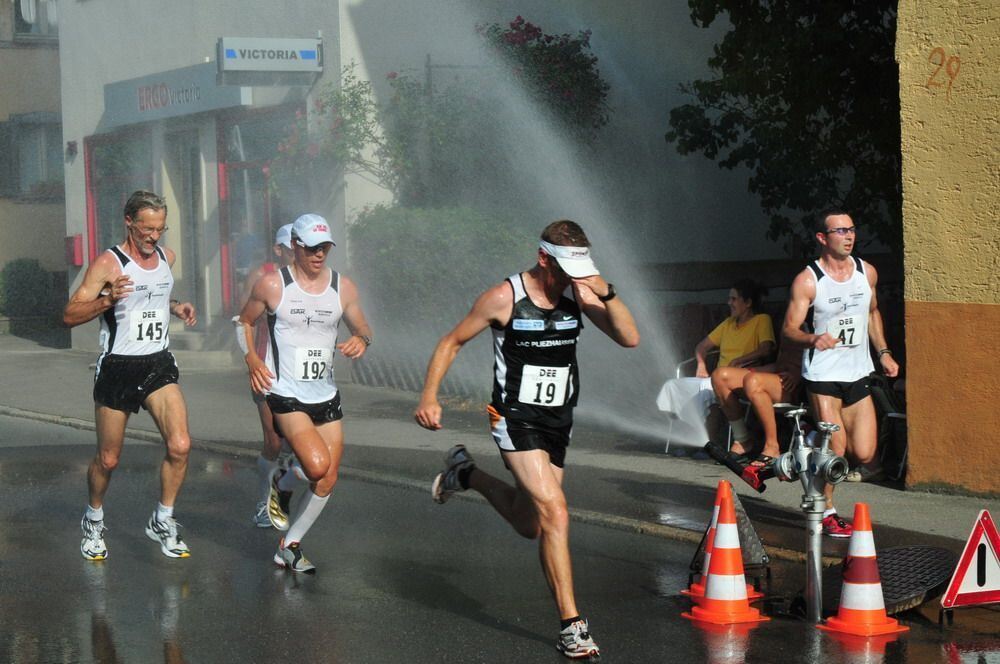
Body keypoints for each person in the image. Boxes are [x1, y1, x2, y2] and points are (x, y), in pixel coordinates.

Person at [414, 220, 639, 659]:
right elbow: (450, 342)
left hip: (557, 422)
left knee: (529, 523)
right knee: (555, 512)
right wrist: (429, 396)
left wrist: (605, 291)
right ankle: (572, 626)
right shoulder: (504, 297)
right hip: (513, 417)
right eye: (565, 269)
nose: (572, 278)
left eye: (579, 269)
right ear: (542, 259)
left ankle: (466, 473)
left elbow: (629, 338)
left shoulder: (580, 294)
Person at [63, 190, 198, 561]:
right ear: (129, 222)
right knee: (108, 459)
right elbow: (70, 314)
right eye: (147, 229)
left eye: (160, 228)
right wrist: (107, 300)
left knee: (181, 445)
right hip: (118, 367)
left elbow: (153, 299)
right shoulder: (109, 263)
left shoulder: (167, 258)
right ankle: (93, 518)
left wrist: (176, 307)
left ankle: (162, 519)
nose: (154, 237)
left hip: (157, 363)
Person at [237, 213, 373, 573]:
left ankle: (290, 545)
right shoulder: (273, 285)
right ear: (295, 245)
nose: (319, 255)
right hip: (286, 393)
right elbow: (244, 322)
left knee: (328, 478)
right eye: (312, 248)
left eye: (325, 248)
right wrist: (251, 358)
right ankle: (282, 481)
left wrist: (361, 340)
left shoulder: (343, 287)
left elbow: (363, 327)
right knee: (315, 466)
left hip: (325, 394)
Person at [782, 209, 899, 538]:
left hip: (858, 372)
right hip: (823, 376)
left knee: (864, 453)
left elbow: (872, 312)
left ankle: (805, 441)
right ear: (822, 238)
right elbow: (789, 329)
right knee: (838, 448)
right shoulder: (809, 280)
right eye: (840, 231)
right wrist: (812, 338)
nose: (849, 236)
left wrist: (885, 353)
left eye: (851, 230)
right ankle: (826, 510)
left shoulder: (867, 272)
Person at [655, 279, 775, 448]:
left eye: (733, 299)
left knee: (707, 393)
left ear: (747, 302)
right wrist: (701, 365)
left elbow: (766, 349)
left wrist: (739, 360)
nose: (729, 303)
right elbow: (701, 347)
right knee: (674, 386)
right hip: (716, 376)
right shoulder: (728, 324)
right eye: (729, 299)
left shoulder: (762, 320)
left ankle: (707, 444)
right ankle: (685, 440)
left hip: (740, 378)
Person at [235, 223, 295, 528]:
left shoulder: (313, 279)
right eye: (292, 246)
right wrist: (252, 361)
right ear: (278, 249)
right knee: (274, 441)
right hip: (267, 370)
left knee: (297, 445)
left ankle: (282, 488)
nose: (299, 251)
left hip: (300, 373)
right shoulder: (262, 277)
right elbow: (241, 318)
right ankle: (263, 503)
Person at [710, 340, 803, 468]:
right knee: (720, 376)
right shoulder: (790, 323)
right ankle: (742, 440)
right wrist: (752, 370)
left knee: (753, 380)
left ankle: (772, 447)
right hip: (778, 375)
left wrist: (798, 374)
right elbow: (782, 364)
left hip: (801, 383)